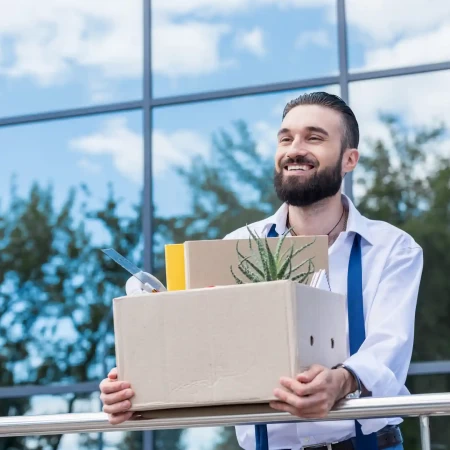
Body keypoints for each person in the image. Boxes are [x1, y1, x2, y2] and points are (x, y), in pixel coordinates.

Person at [99, 92, 423, 450]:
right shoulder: (238, 244)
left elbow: (388, 347)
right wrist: (137, 390)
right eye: (286, 138)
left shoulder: (393, 248)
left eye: (314, 138)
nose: (295, 149)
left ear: (350, 159)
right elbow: (205, 355)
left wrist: (342, 381)